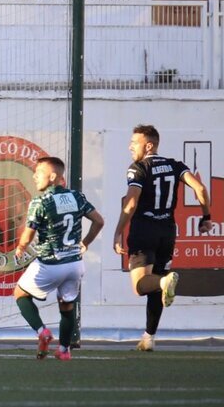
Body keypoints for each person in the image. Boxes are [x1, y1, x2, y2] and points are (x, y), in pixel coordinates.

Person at [113, 124, 212, 352]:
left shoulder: (138, 168)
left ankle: (162, 282)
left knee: (141, 286)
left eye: (134, 142)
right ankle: (149, 337)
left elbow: (130, 203)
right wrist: (206, 215)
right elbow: (200, 188)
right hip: (167, 231)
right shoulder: (174, 165)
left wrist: (118, 231)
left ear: (148, 145)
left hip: (144, 228)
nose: (130, 146)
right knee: (157, 287)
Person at [13, 157, 104, 361]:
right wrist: (86, 242)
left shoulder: (41, 201)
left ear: (53, 176)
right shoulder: (76, 196)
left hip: (51, 262)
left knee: (20, 293)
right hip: (75, 263)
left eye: (39, 172)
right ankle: (64, 350)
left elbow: (28, 235)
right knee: (67, 305)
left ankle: (42, 332)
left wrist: (20, 247)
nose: (34, 176)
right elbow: (99, 221)